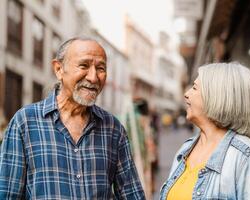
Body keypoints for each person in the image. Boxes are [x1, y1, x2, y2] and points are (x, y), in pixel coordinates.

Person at [0, 37, 145, 199]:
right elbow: (7, 194)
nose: (93, 77)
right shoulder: (25, 122)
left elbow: (132, 194)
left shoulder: (113, 129)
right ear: (59, 69)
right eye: (84, 66)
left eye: (101, 68)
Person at [160, 62, 250, 199]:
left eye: (195, 88)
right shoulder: (184, 150)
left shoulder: (247, 158)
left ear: (216, 96)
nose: (186, 94)